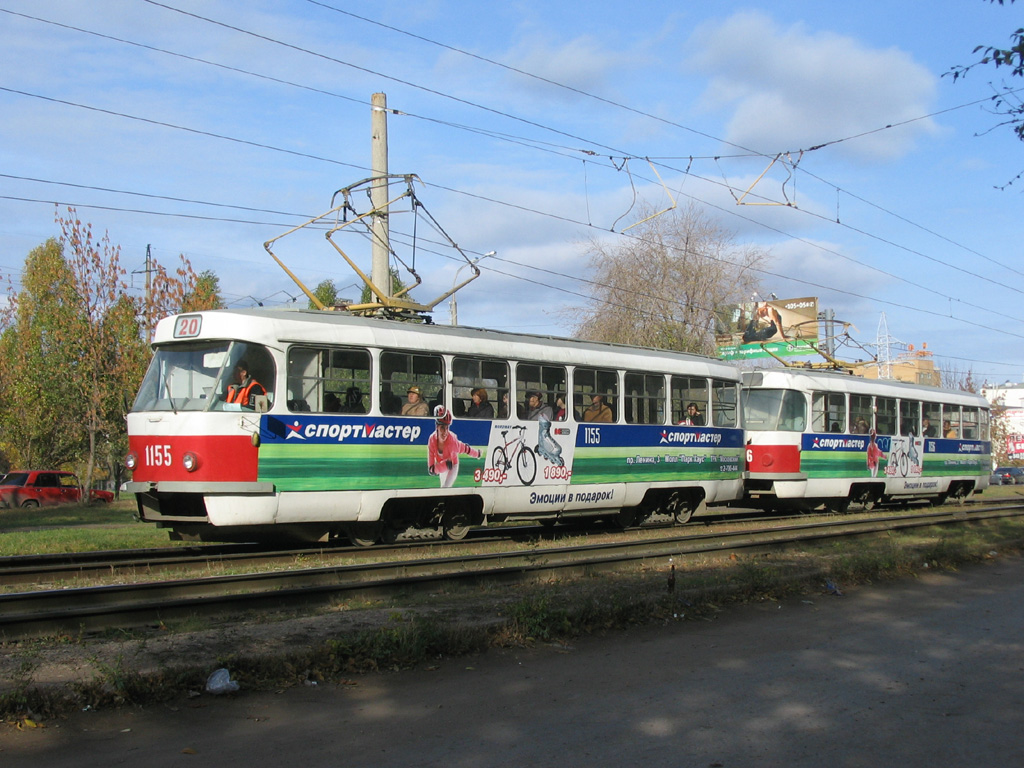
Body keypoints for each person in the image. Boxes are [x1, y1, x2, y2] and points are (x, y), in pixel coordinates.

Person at [427, 405, 481, 488]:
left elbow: (464, 450)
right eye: (442, 428)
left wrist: (477, 454)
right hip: (443, 463)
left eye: (447, 428)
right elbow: (431, 468)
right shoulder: (432, 439)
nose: (445, 432)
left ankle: (478, 454)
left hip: (453, 465)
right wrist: (434, 469)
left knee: (445, 487)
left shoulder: (452, 441)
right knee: (442, 487)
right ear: (437, 426)